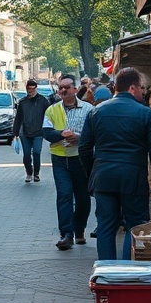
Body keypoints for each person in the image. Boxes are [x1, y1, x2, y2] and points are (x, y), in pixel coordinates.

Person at [78, 66, 151, 260]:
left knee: (106, 226)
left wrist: (92, 172)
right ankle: (126, 271)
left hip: (103, 177)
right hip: (133, 178)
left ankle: (106, 273)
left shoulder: (96, 112)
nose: (144, 93)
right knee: (134, 225)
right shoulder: (145, 113)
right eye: (142, 88)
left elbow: (84, 148)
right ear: (132, 88)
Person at [43, 74, 94, 250]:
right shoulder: (52, 109)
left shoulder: (88, 109)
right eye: (61, 88)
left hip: (81, 159)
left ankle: (79, 229)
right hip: (60, 159)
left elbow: (93, 133)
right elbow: (46, 132)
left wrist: (78, 137)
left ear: (75, 89)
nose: (63, 90)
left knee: (82, 197)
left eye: (67, 87)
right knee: (64, 195)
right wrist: (61, 135)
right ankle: (66, 234)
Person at [13, 78, 49, 183]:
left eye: (33, 89)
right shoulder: (23, 102)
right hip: (25, 133)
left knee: (37, 153)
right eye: (29, 89)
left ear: (36, 89)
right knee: (27, 155)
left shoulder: (43, 101)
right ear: (26, 89)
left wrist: (48, 130)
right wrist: (15, 132)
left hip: (38, 132)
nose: (31, 91)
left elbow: (48, 116)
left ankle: (36, 174)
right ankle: (29, 173)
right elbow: (18, 118)